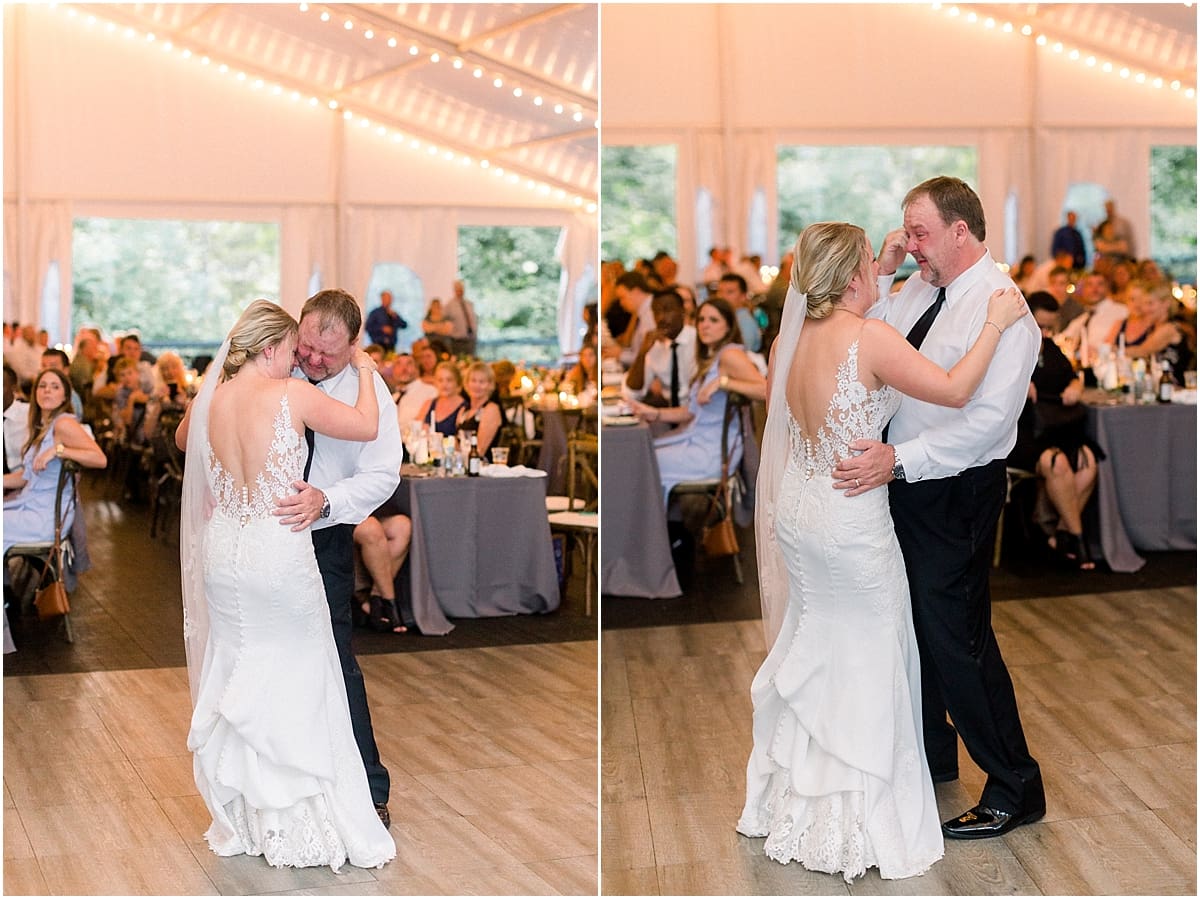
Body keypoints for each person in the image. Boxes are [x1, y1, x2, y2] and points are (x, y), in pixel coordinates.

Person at [737, 220, 1027, 880]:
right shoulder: (869, 338)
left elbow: (807, 409)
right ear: (850, 276)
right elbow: (955, 389)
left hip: (802, 510)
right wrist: (996, 323)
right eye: (872, 260)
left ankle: (801, 797)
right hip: (850, 519)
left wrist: (887, 269)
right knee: (872, 651)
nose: (881, 266)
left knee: (820, 642)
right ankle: (859, 813)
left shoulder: (787, 340)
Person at [834, 176, 1045, 841]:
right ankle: (932, 753)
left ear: (960, 230)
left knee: (958, 638)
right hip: (901, 479)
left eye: (919, 233)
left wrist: (899, 460)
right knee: (911, 622)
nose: (911, 244)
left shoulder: (1004, 309)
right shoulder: (919, 287)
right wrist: (888, 267)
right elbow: (867, 337)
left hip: (956, 489)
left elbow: (985, 425)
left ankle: (1015, 785)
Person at [175, 298, 395, 870]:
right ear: (273, 347)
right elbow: (366, 424)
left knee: (241, 666)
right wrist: (366, 368)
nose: (303, 360)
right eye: (297, 350)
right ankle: (301, 816)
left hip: (226, 551)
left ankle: (253, 816)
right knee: (301, 673)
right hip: (276, 549)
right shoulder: (291, 393)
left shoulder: (213, 397)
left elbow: (185, 441)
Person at [270, 289, 404, 830]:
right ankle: (282, 783)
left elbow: (383, 474)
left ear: (355, 345)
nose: (312, 359)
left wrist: (327, 501)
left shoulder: (369, 393)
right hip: (265, 535)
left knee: (336, 659)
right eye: (306, 346)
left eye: (326, 353)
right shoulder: (276, 368)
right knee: (270, 656)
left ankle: (369, 788)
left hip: (325, 538)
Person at [630, 298, 766, 504]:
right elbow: (692, 411)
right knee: (641, 453)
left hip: (711, 451)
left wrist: (723, 382)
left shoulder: (730, 354)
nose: (705, 325)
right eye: (701, 319)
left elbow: (765, 390)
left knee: (641, 462)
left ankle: (645, 521)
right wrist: (654, 413)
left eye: (713, 320)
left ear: (728, 326)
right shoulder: (711, 357)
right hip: (696, 440)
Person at [1008, 292, 1101, 570]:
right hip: (1021, 433)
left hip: (1054, 429)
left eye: (1049, 328)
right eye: (1041, 326)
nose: (1045, 333)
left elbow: (1073, 377)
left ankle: (1060, 534)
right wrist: (1016, 383)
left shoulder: (1050, 348)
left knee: (1088, 463)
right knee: (1057, 462)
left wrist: (1074, 387)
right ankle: (1078, 539)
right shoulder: (1009, 347)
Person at [4, 368, 107, 555]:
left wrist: (58, 450)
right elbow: (27, 476)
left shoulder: (63, 423)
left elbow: (100, 459)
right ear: (35, 393)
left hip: (45, 516)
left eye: (55, 387)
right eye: (42, 386)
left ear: (65, 396)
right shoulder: (42, 426)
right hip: (31, 506)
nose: (47, 391)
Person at [621, 290, 696, 407]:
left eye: (667, 310)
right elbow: (632, 392)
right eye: (656, 312)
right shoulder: (655, 346)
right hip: (668, 413)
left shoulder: (697, 340)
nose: (660, 318)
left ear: (682, 311)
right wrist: (642, 353)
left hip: (697, 410)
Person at [1107, 280, 1192, 382]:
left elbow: (1142, 351)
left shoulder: (1169, 328)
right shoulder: (1154, 327)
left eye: (1150, 303)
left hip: (1176, 388)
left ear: (1166, 304)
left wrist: (1112, 350)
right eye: (1144, 304)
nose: (1145, 309)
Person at [353, 511, 412, 634]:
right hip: (331, 517)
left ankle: (375, 598)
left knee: (402, 525)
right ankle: (390, 603)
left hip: (361, 511)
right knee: (371, 528)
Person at [455, 361, 503, 461]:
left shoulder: (491, 409)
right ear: (467, 383)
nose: (477, 385)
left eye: (482, 382)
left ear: (490, 385)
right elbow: (456, 445)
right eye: (473, 380)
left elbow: (480, 451)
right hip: (462, 464)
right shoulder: (463, 411)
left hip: (483, 466)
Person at [416, 361, 467, 440]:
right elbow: (415, 429)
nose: (444, 384)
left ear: (457, 382)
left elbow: (463, 439)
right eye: (440, 380)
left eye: (449, 380)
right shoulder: (429, 403)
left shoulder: (464, 408)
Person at [445, 280, 478, 357]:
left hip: (470, 340)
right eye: (458, 289)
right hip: (457, 342)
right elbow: (445, 321)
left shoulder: (469, 304)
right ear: (454, 290)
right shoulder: (449, 305)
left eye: (462, 288)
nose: (460, 291)